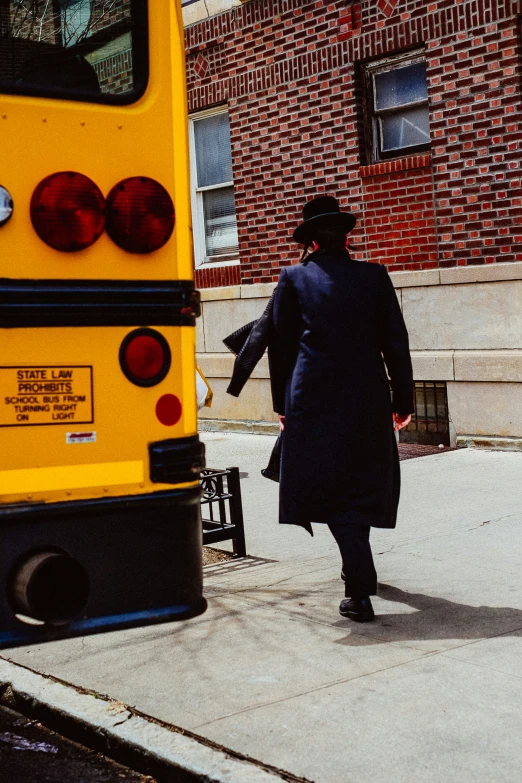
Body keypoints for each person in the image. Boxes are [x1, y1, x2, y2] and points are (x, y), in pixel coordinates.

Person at [270, 195, 414, 623]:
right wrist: (402, 401)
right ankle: (358, 566)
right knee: (359, 483)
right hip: (367, 398)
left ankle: (359, 586)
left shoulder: (293, 278)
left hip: (312, 398)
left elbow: (281, 349)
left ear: (311, 242)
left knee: (331, 487)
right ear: (346, 237)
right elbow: (396, 343)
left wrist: (282, 404)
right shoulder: (375, 276)